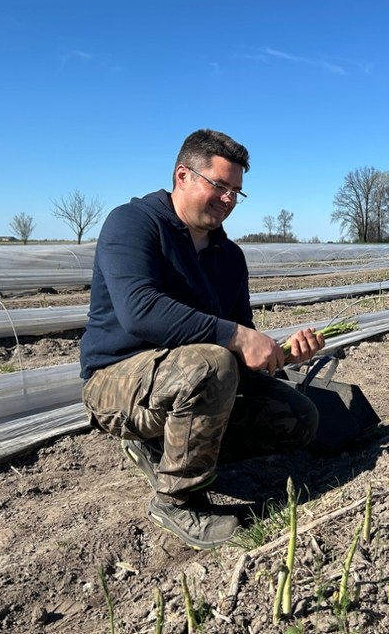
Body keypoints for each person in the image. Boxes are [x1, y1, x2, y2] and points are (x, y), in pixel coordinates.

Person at [79, 128, 324, 550]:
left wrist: (280, 353)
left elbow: (238, 343)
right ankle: (178, 501)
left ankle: (164, 453)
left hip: (191, 379)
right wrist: (237, 337)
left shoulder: (229, 257)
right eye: (220, 185)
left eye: (236, 192)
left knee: (298, 418)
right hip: (116, 381)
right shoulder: (133, 223)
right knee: (211, 364)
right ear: (183, 176)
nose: (228, 199)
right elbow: (140, 311)